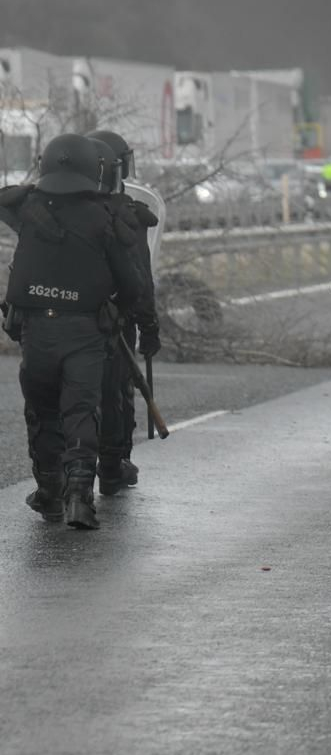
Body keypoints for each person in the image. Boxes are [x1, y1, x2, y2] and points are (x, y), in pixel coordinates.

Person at [0, 134, 158, 529]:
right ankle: (79, 497)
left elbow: (7, 198)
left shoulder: (29, 208)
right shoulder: (107, 216)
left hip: (36, 330)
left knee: (43, 412)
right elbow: (134, 283)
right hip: (85, 330)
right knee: (81, 410)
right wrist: (120, 310)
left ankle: (49, 491)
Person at [87, 130, 159, 497]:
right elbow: (139, 277)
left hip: (70, 317)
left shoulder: (57, 208)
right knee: (115, 393)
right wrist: (149, 326)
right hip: (116, 319)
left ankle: (68, 474)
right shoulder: (127, 214)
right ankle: (113, 466)